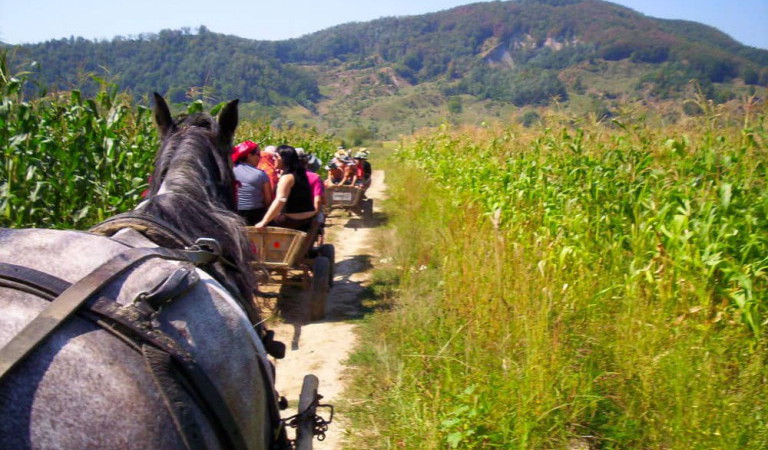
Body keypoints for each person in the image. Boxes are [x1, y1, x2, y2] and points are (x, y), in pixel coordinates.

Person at [255, 145, 316, 231]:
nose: (273, 159)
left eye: (276, 156)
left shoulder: (287, 177)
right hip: (309, 218)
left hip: (293, 220)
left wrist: (264, 222)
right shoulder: (300, 174)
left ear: (284, 159)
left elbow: (280, 200)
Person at [232, 140, 272, 225]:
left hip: (234, 213)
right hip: (255, 214)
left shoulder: (229, 171)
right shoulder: (260, 174)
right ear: (249, 155)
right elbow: (268, 200)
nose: (260, 158)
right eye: (258, 155)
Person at [296, 148, 325, 215]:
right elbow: (319, 200)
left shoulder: (285, 176)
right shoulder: (315, 178)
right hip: (308, 213)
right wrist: (314, 215)